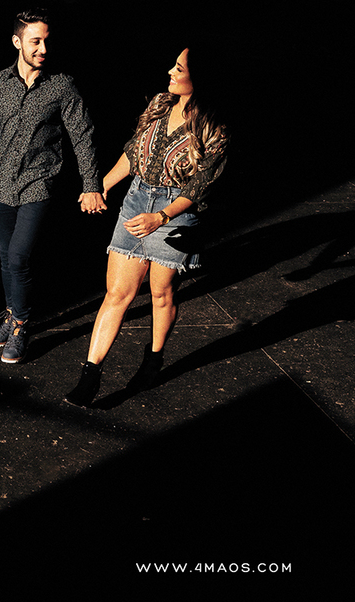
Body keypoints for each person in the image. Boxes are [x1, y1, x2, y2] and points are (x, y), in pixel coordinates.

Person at [64, 46, 228, 406]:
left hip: (176, 210)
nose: (170, 70)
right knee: (116, 294)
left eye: (179, 67)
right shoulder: (159, 104)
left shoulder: (214, 128)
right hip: (137, 200)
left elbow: (199, 187)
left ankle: (153, 361)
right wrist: (102, 183)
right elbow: (134, 151)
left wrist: (162, 217)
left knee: (160, 292)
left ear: (198, 79)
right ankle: (90, 375)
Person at [0, 7, 106, 364]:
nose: (43, 49)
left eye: (47, 41)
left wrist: (91, 184)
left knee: (19, 257)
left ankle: (20, 326)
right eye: (35, 41)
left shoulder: (61, 85)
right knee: (6, 257)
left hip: (39, 184)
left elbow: (83, 136)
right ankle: (10, 314)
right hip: (0, 186)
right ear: (17, 41)